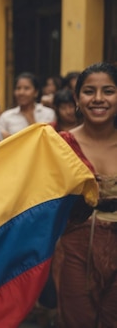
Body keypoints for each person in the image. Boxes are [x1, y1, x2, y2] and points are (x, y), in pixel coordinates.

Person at [54, 62, 117, 327]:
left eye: (109, 91)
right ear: (77, 99)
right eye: (89, 91)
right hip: (73, 250)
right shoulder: (59, 145)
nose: (99, 99)